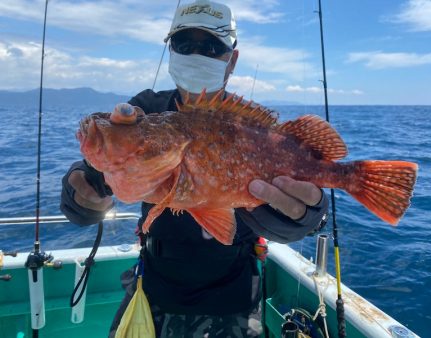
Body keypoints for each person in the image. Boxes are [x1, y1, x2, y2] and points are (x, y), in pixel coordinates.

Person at [60, 1, 329, 337]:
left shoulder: (250, 129)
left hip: (236, 299)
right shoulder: (146, 110)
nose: (197, 54)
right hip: (152, 292)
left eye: (212, 46)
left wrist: (305, 216)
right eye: (185, 44)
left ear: (232, 60)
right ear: (170, 50)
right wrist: (84, 192)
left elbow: (302, 218)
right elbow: (89, 183)